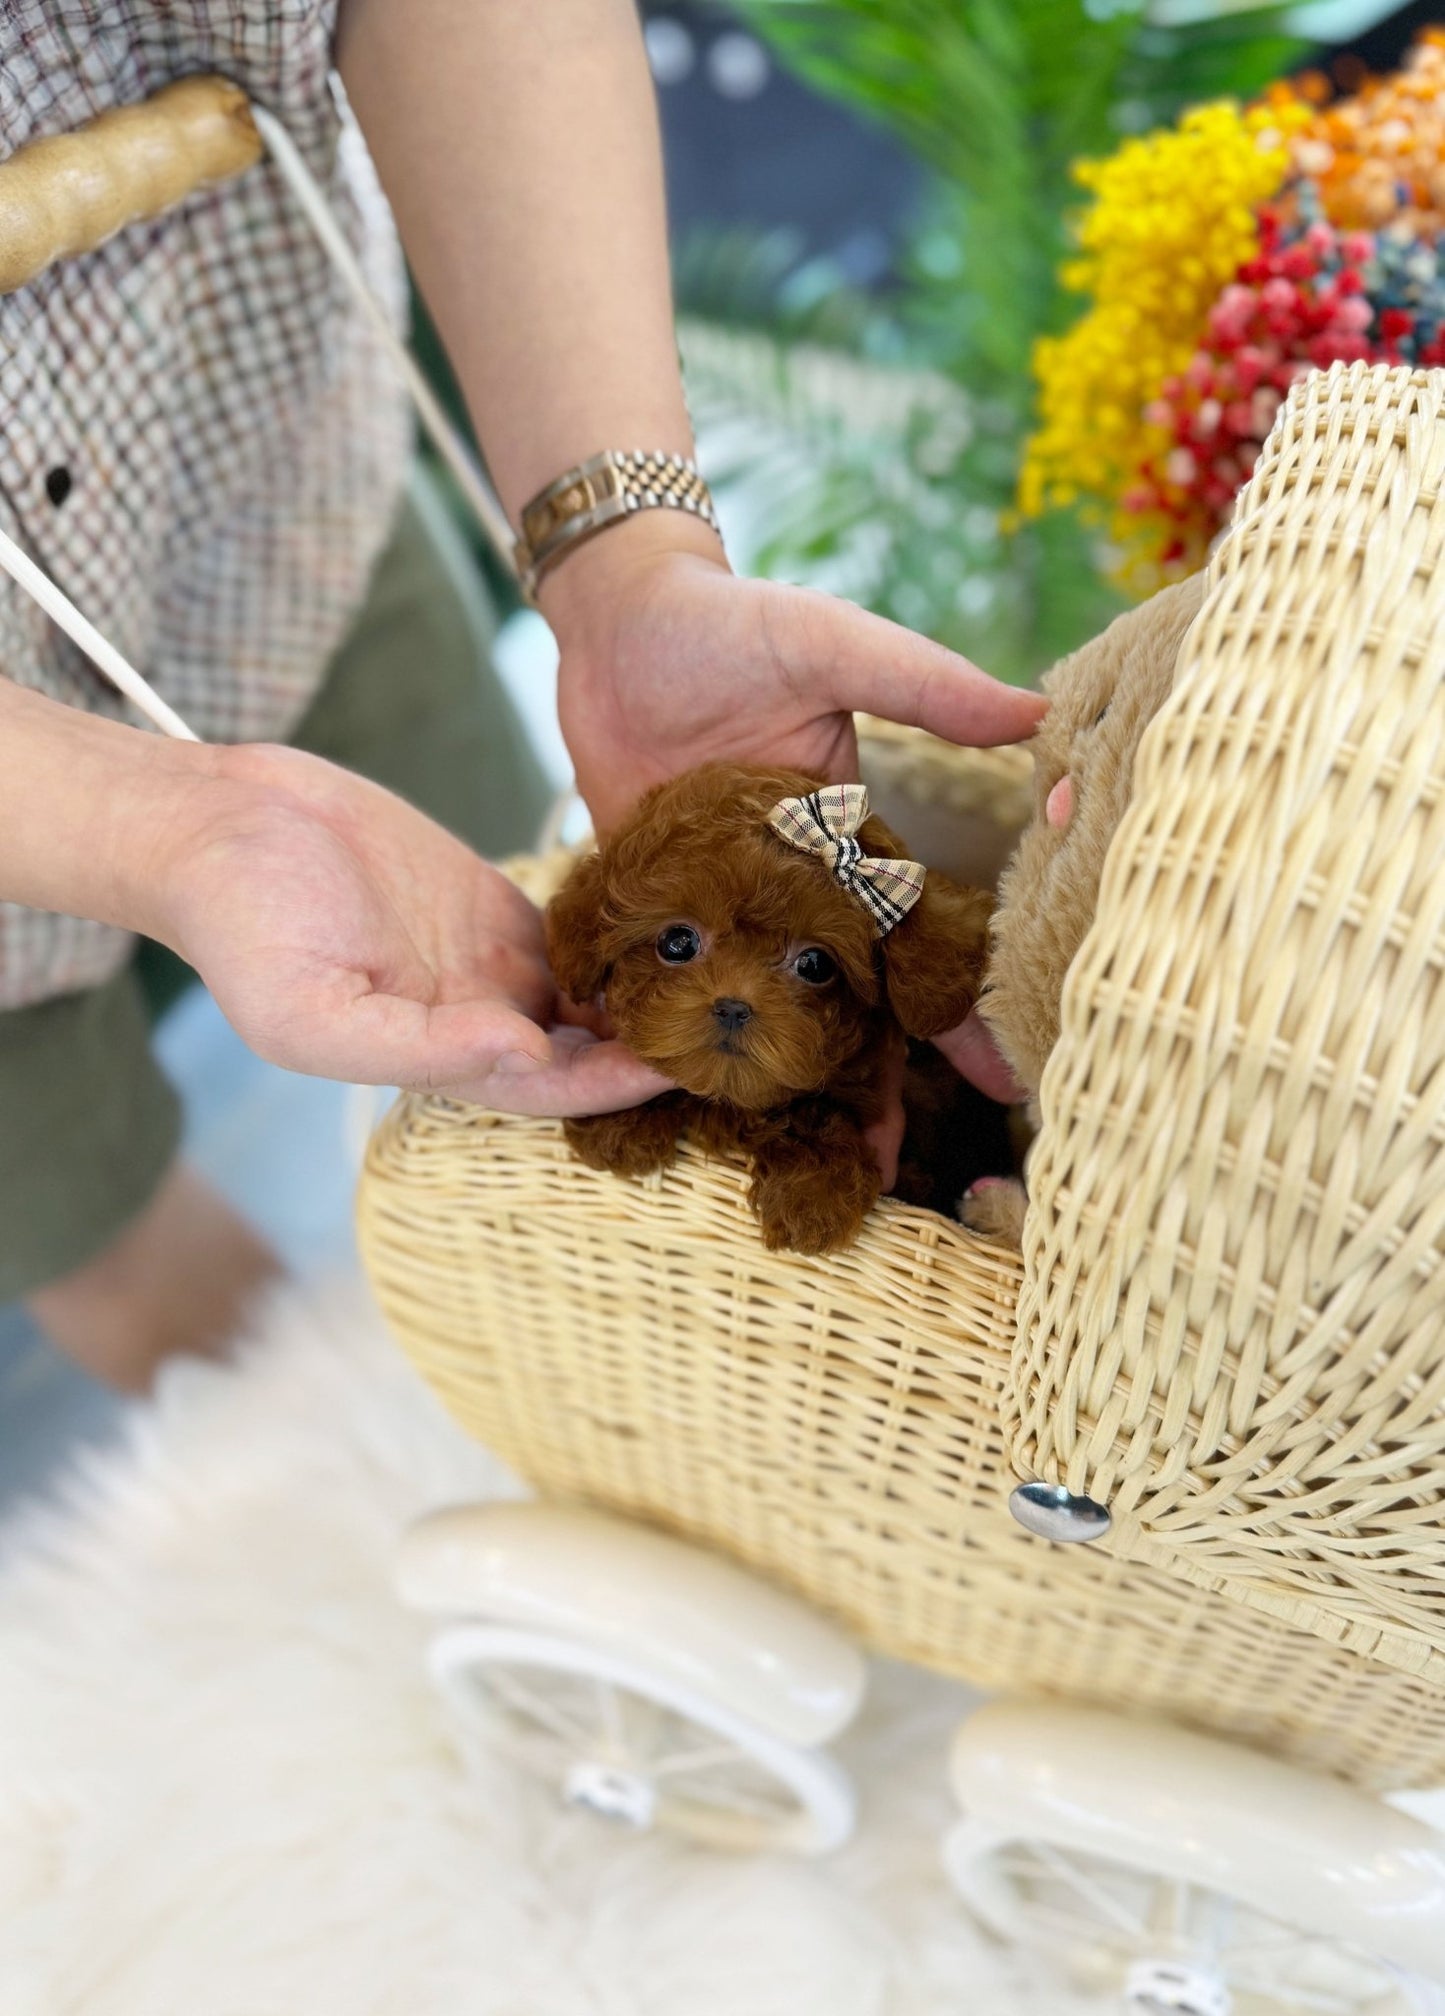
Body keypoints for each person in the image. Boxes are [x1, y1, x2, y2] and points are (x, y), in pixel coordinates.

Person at [0, 0, 1042, 1392]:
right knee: (96, 1216)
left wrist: (628, 571)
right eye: (677, 953)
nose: (731, 1000)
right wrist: (172, 831)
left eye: (800, 969)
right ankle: (356, 1439)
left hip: (266, 482)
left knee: (488, 905)